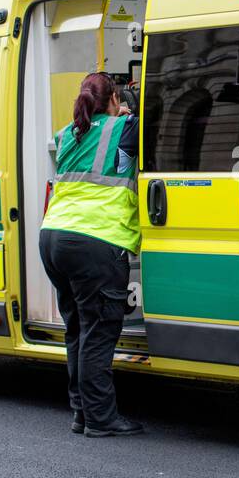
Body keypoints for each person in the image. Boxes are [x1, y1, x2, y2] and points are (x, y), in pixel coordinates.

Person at [39, 72, 144, 437]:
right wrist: (134, 97)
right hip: (94, 241)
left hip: (54, 238)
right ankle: (101, 418)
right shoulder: (123, 129)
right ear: (114, 99)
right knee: (98, 333)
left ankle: (82, 412)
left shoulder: (67, 134)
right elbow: (149, 117)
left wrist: (119, 102)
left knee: (78, 329)